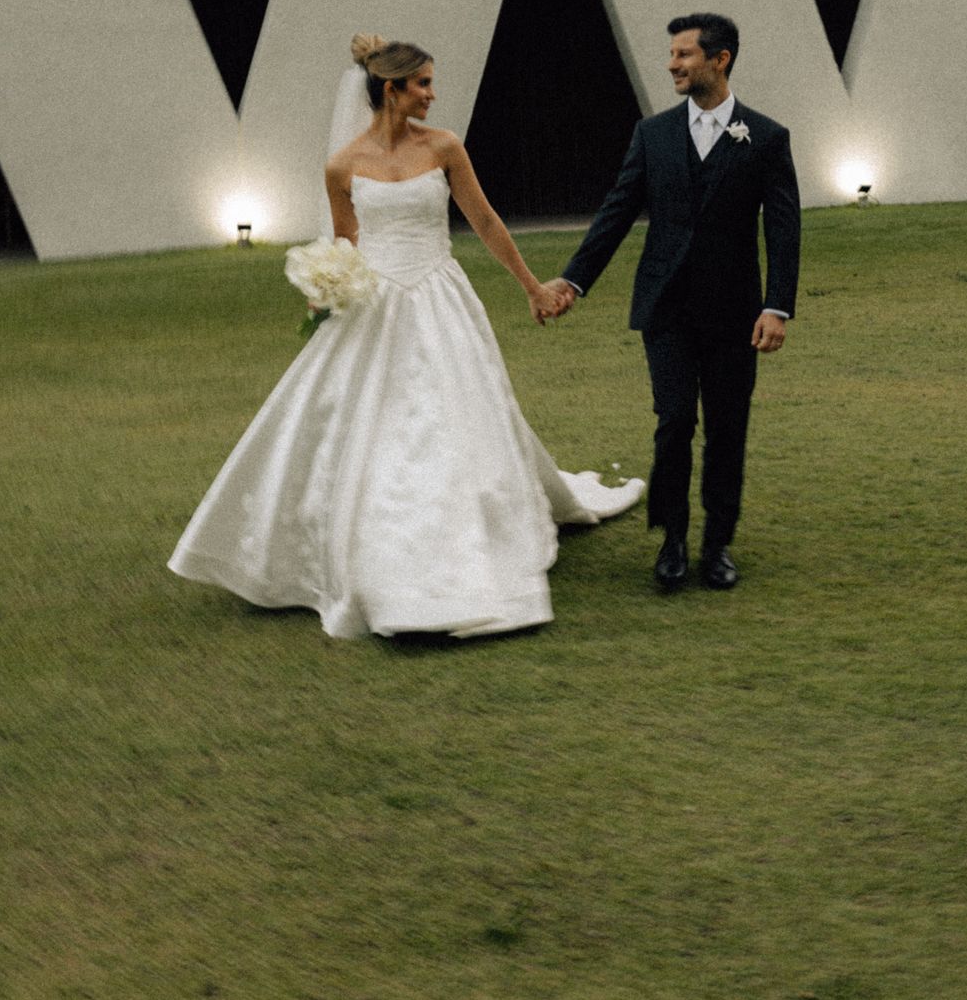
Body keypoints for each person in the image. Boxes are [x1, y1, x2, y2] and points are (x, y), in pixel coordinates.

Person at [169, 35, 642, 640]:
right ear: (390, 90)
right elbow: (347, 241)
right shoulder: (342, 165)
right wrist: (328, 288)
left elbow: (486, 221)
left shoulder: (445, 148)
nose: (432, 94)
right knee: (374, 423)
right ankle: (382, 546)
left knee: (453, 413)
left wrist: (529, 284)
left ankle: (464, 537)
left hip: (440, 295)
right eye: (422, 84)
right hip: (376, 304)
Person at [546, 13, 799, 592]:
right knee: (675, 420)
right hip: (666, 310)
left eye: (684, 54)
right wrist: (573, 281)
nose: (672, 65)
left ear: (720, 59)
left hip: (738, 314)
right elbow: (616, 213)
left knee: (728, 428)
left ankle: (718, 544)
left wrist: (776, 306)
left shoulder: (767, 138)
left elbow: (784, 230)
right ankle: (673, 538)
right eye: (673, 55)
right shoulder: (652, 134)